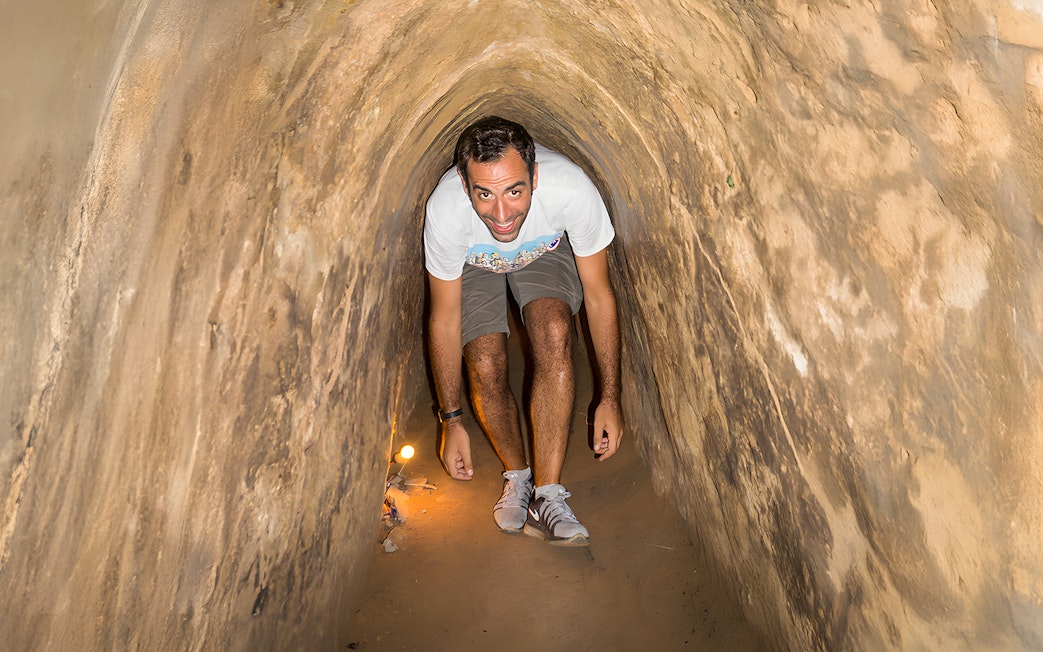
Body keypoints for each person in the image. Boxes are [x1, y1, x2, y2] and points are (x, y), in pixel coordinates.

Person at [424, 116, 622, 546]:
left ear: (535, 176)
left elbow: (599, 294)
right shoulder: (445, 211)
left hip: (544, 251)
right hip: (474, 263)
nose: (501, 214)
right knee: (485, 359)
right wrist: (450, 419)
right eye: (484, 194)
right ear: (464, 184)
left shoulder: (571, 189)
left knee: (554, 331)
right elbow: (444, 317)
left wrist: (609, 396)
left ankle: (548, 495)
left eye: (515, 191)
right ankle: (519, 477)